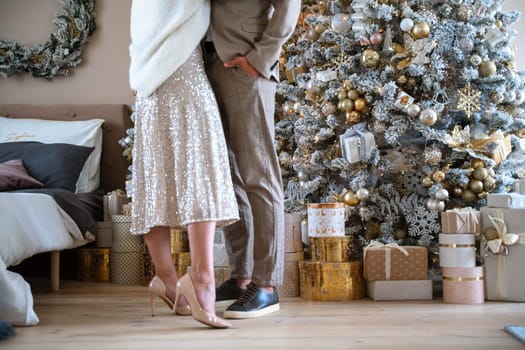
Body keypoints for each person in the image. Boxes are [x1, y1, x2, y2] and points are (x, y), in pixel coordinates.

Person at [128, 0, 239, 329]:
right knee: (200, 173)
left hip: (148, 86)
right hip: (184, 79)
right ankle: (202, 278)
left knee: (154, 180)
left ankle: (167, 280)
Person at [204, 0, 301, 319]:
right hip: (205, 67)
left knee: (259, 176)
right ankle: (241, 277)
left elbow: (289, 4)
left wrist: (261, 58)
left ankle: (267, 285)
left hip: (247, 64)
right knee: (230, 179)